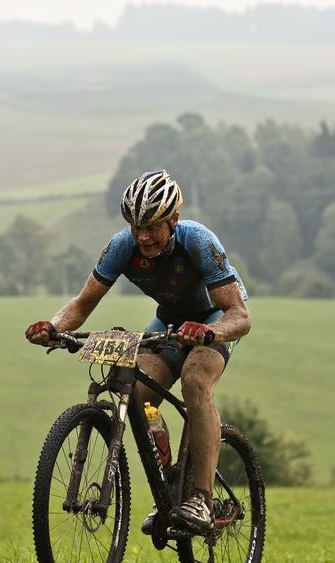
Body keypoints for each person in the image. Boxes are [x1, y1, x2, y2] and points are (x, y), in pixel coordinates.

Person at [25, 169, 251, 533]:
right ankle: (169, 489)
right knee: (133, 391)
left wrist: (209, 333)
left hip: (214, 318)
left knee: (195, 381)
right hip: (169, 321)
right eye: (135, 226)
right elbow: (82, 305)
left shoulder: (198, 242)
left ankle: (201, 499)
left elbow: (240, 315)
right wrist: (54, 328)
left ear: (173, 220)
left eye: (151, 226)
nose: (142, 235)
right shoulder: (122, 247)